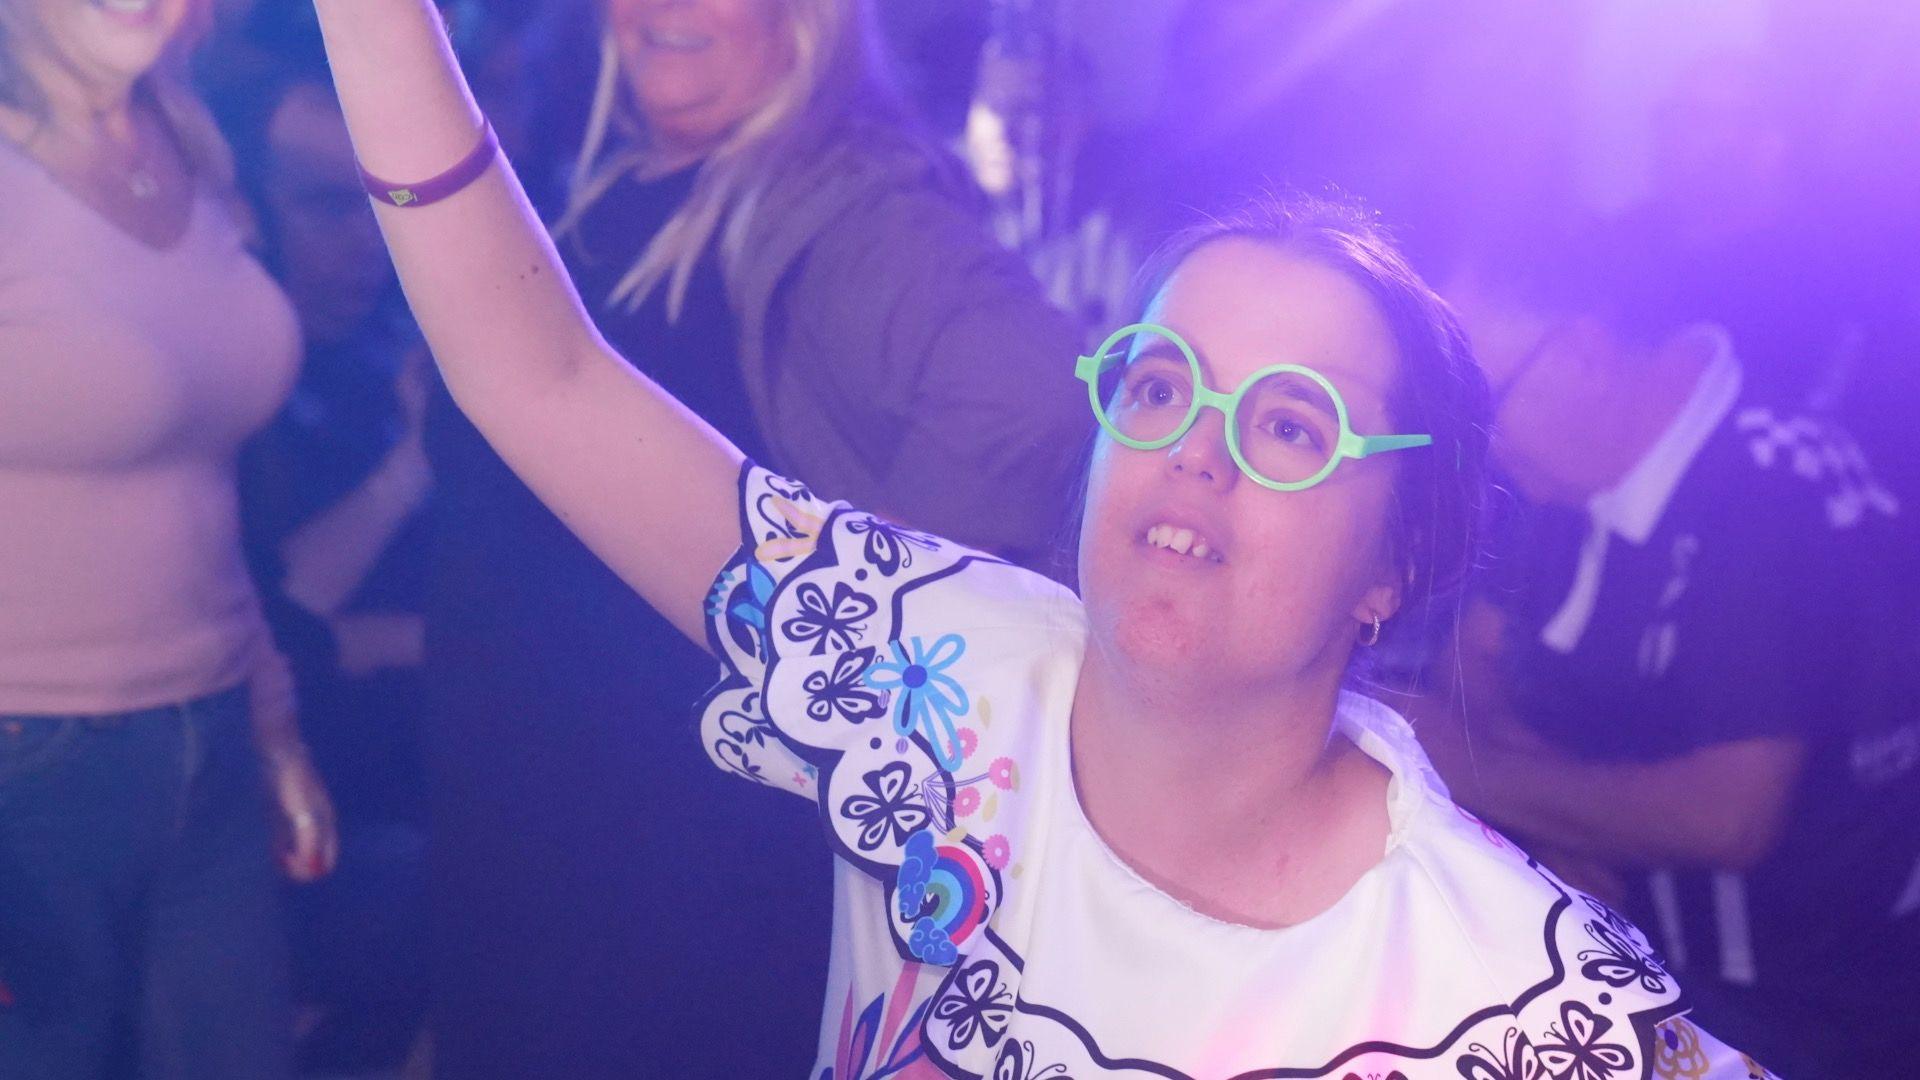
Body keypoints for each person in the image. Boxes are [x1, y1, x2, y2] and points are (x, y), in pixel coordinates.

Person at [312, 2, 1779, 1074]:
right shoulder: (932, 669)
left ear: (1394, 562)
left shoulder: (1503, 999)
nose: (1195, 449)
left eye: (1287, 425)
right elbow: (541, 378)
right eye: (1158, 384)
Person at [419, 0, 1087, 1073]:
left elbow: (1032, 400)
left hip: (678, 861)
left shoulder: (844, 203)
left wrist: (855, 636)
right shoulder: (606, 174)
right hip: (534, 809)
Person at [1411, 234, 1915, 1078]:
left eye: (1487, 409)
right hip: (1647, 968)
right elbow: (1471, 663)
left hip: (1824, 1014)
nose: (1484, 447)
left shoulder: (1772, 488)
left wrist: (1459, 772)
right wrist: (1550, 823)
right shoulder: (1567, 473)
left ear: (1583, 354)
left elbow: (1728, 819)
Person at [0, 0, 335, 1075]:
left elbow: (205, 482)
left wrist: (273, 721)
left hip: (215, 731)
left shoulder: (188, 138)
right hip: (27, 765)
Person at [221, 47, 435, 1070]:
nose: (363, 246)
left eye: (374, 208)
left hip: (413, 779)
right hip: (281, 841)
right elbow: (287, 612)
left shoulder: (388, 340)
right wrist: (408, 471)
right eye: (322, 206)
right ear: (246, 207)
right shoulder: (213, 383)